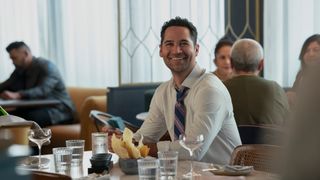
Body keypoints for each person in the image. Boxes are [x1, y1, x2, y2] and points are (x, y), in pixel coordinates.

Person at [104, 17, 241, 165]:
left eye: (184, 43)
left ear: (196, 49)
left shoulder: (210, 90)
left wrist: (139, 146)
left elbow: (192, 150)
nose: (176, 50)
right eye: (169, 44)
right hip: (185, 173)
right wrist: (123, 140)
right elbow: (145, 137)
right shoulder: (163, 92)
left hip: (222, 175)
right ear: (161, 51)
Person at [0, 41, 75, 127]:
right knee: (6, 117)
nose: (12, 62)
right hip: (37, 108)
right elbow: (6, 84)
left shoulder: (47, 66)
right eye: (11, 59)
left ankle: (22, 140)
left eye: (14, 58)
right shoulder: (19, 70)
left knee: (28, 119)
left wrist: (18, 95)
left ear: (26, 53)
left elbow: (43, 90)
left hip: (59, 111)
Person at [224, 39, 289, 126]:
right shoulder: (275, 89)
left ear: (231, 63)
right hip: (269, 140)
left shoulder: (219, 89)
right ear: (261, 64)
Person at [286, 34, 320, 108]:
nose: (311, 54)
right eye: (307, 51)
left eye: (316, 50)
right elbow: (293, 93)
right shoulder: (301, 74)